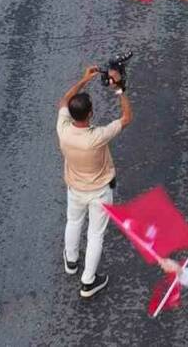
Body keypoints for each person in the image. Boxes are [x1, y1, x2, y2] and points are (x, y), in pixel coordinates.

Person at [56, 65, 132, 299]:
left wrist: (83, 80)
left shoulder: (63, 129)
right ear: (90, 114)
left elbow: (63, 102)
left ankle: (71, 260)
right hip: (99, 191)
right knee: (95, 235)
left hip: (75, 188)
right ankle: (88, 281)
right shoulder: (97, 136)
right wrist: (119, 89)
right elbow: (126, 118)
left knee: (73, 221)